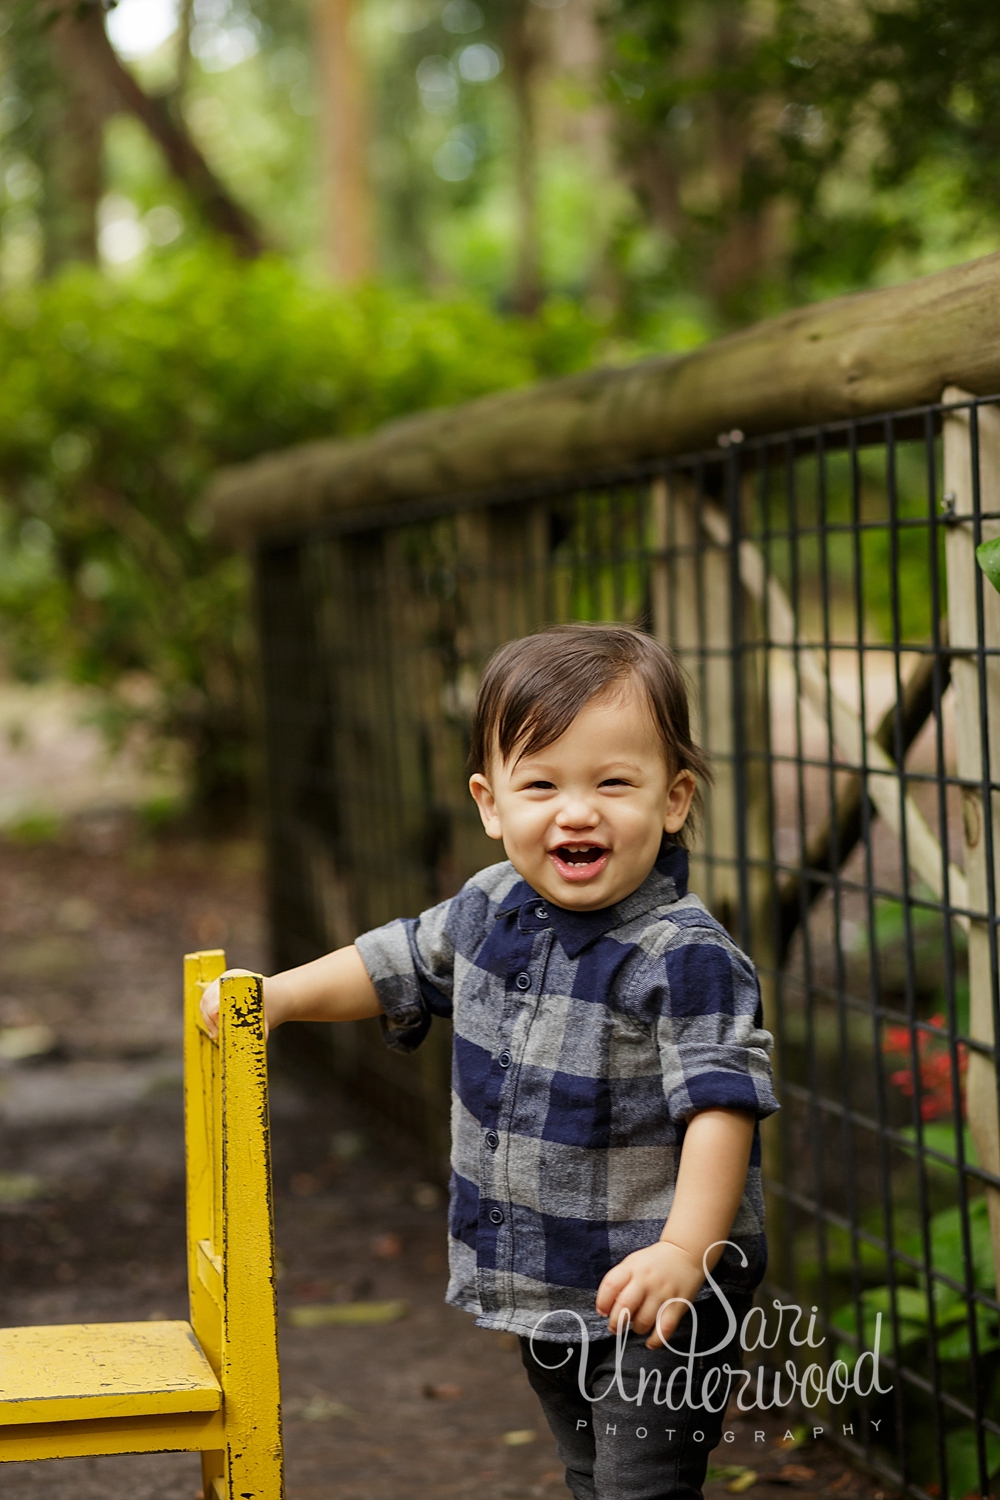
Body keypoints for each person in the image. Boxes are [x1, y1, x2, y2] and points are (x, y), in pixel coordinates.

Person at [201, 623, 778, 1500]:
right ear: (491, 802)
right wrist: (277, 997)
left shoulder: (683, 957)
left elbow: (721, 1107)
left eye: (613, 783)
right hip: (544, 1275)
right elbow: (390, 959)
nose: (575, 811)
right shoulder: (488, 907)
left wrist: (687, 1250)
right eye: (541, 783)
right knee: (590, 1471)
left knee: (642, 1485)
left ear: (674, 799)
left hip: (664, 1290)